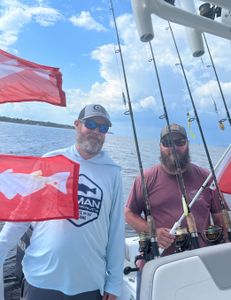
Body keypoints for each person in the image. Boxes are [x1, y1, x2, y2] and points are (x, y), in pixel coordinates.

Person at [0, 104, 125, 300]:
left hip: (89, 283)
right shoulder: (51, 160)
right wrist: (2, 245)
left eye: (102, 128)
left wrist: (115, 281)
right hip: (42, 278)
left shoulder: (112, 172)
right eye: (90, 124)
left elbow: (116, 230)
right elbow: (24, 211)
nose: (96, 132)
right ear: (77, 125)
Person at [125, 123, 227, 256]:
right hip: (158, 261)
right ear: (160, 146)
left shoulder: (207, 178)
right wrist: (153, 231)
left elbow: (220, 216)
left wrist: (223, 249)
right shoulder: (144, 179)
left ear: (188, 144)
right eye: (167, 142)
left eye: (180, 142)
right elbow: (129, 213)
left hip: (200, 259)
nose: (173, 147)